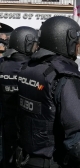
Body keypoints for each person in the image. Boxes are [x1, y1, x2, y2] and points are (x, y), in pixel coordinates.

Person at [17, 16, 80, 168]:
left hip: (28, 155)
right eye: (76, 42)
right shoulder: (64, 77)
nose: (78, 47)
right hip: (53, 159)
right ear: (66, 41)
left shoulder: (28, 68)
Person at [0, 26, 39, 168]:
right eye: (35, 44)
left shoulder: (2, 65)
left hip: (7, 121)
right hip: (30, 126)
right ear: (27, 43)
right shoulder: (35, 68)